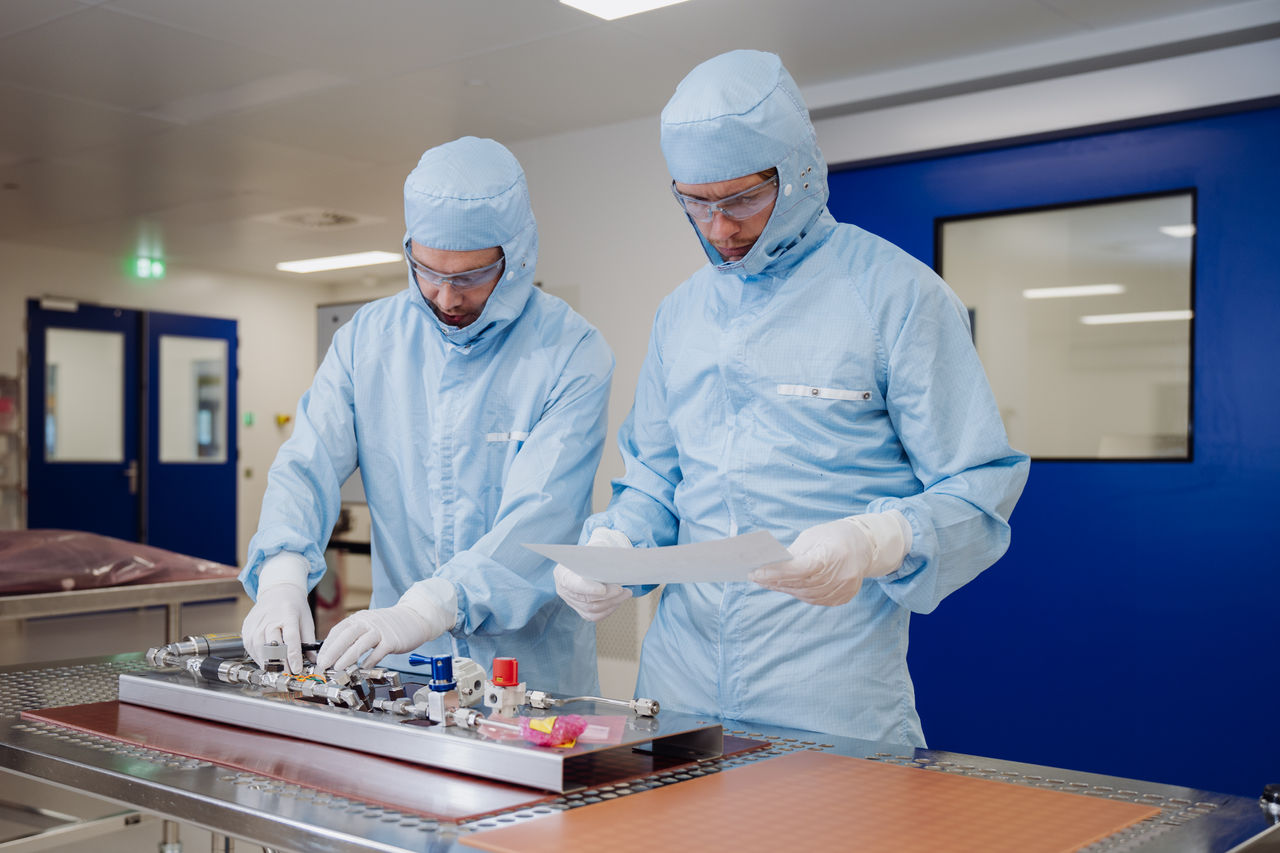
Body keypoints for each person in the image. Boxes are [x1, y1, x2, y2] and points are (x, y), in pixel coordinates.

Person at [553, 50, 1029, 746]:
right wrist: (613, 546)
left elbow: (980, 487)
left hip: (832, 701)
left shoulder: (897, 297)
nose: (719, 228)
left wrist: (876, 539)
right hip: (678, 694)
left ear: (801, 168)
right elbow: (656, 480)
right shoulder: (680, 314)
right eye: (695, 202)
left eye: (741, 199)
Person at [239, 136, 614, 695]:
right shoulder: (366, 342)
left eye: (468, 277)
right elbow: (306, 464)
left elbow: (542, 517)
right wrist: (282, 577)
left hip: (530, 674)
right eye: (427, 271)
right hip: (400, 668)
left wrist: (425, 608)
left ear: (516, 257)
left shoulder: (571, 352)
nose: (444, 297)